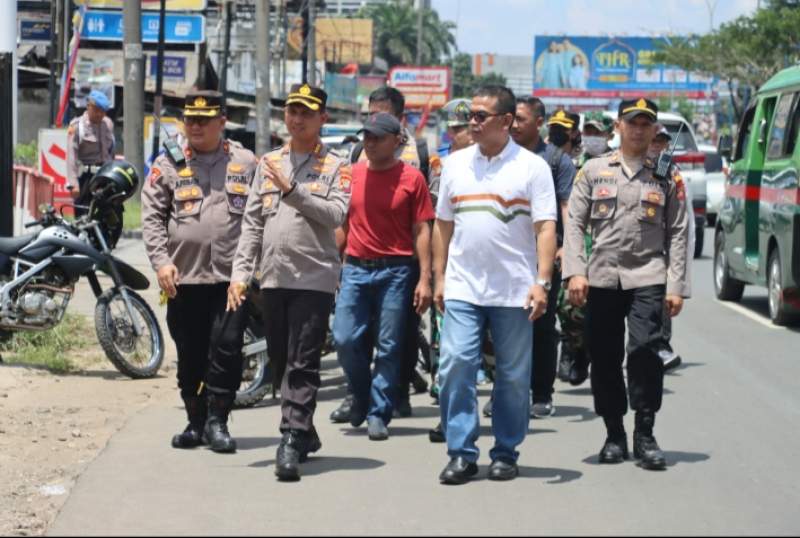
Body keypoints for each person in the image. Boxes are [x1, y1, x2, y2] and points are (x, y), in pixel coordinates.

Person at [434, 85, 557, 484]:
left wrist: (542, 281)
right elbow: (443, 224)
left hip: (514, 291)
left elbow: (545, 228)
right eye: (471, 113)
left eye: (482, 115)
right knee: (455, 365)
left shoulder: (531, 167)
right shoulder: (455, 165)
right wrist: (438, 277)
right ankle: (461, 452)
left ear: (506, 122)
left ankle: (505, 450)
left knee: (514, 375)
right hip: (463, 287)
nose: (473, 120)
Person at [228, 84, 349, 482]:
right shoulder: (269, 162)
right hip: (273, 277)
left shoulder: (337, 164)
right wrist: (240, 275)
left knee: (302, 360)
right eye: (292, 111)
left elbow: (335, 215)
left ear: (322, 119)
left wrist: (293, 191)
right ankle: (306, 430)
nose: (297, 118)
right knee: (280, 359)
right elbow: (252, 223)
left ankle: (290, 438)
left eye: (306, 112)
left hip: (313, 278)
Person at [562, 98, 690, 471]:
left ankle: (645, 432)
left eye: (645, 124)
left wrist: (675, 285)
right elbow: (575, 222)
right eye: (631, 123)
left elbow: (679, 231)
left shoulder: (667, 174)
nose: (638, 129)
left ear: (654, 130)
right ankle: (614, 432)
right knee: (604, 357)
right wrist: (575, 271)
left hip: (648, 275)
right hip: (601, 277)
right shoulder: (594, 170)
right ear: (618, 126)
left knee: (645, 353)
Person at [141, 90, 258, 454]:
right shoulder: (169, 164)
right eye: (190, 119)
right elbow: (152, 218)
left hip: (230, 280)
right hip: (185, 279)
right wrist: (161, 262)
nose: (195, 126)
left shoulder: (245, 162)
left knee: (227, 350)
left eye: (203, 120)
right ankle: (195, 421)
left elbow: (258, 219)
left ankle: (218, 422)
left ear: (222, 122)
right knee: (190, 351)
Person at [330, 86, 441, 423]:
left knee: (393, 342)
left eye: (380, 132)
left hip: (398, 268)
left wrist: (426, 275)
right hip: (357, 268)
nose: (371, 139)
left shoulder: (417, 167)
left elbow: (425, 224)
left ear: (397, 134)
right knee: (346, 337)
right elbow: (341, 220)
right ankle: (360, 395)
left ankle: (382, 408)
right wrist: (337, 263)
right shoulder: (351, 168)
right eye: (368, 131)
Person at [509, 96, 576, 419]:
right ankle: (505, 392)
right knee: (504, 325)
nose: (514, 125)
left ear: (539, 123)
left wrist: (568, 249)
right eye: (512, 119)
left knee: (541, 325)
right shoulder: (501, 156)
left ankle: (542, 393)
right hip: (507, 254)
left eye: (521, 119)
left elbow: (567, 209)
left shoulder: (556, 162)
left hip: (542, 254)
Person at [428, 98, 475, 444]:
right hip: (453, 269)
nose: (458, 134)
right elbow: (434, 219)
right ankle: (450, 420)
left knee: (492, 353)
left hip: (493, 274)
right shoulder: (442, 165)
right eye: (454, 128)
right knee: (449, 352)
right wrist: (434, 271)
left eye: (463, 127)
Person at [556, 110, 615, 386]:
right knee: (568, 303)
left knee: (603, 310)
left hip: (608, 244)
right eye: (588, 132)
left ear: (609, 135)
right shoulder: (572, 163)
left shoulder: (616, 163)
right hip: (579, 239)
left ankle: (592, 353)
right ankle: (574, 346)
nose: (593, 137)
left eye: (598, 133)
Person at [649, 124, 694, 372]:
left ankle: (661, 345)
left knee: (662, 296)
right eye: (654, 140)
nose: (657, 145)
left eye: (662, 141)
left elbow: (681, 219)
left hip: (662, 245)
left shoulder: (673, 173)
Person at [67, 89, 115, 215]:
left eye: (103, 111)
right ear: (88, 106)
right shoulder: (77, 126)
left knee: (107, 214)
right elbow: (71, 156)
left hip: (104, 177)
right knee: (83, 214)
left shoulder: (108, 124)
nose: (100, 114)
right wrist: (73, 184)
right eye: (96, 110)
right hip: (85, 179)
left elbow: (111, 152)